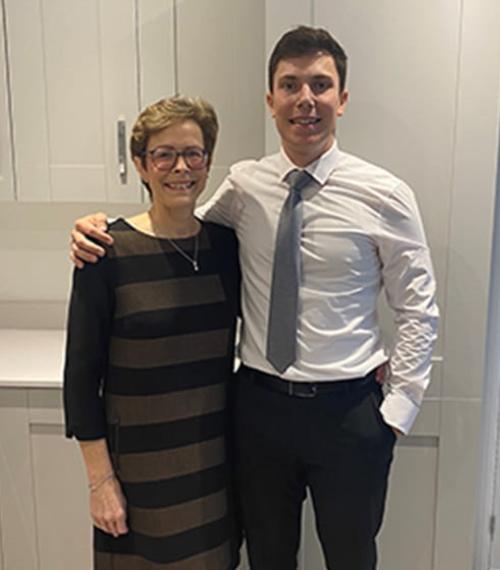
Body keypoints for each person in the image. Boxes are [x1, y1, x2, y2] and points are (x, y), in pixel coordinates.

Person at [68, 26, 438, 570]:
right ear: (271, 101)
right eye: (290, 85)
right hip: (259, 410)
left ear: (342, 98)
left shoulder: (385, 195)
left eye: (320, 84)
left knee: (352, 557)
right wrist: (98, 227)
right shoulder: (244, 186)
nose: (305, 99)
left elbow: (418, 309)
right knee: (267, 556)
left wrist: (395, 413)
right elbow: (177, 221)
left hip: (349, 413)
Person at [63, 95, 241, 570]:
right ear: (141, 165)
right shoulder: (106, 252)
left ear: (208, 162)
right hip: (138, 475)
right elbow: (80, 381)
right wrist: (101, 484)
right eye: (164, 154)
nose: (180, 167)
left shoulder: (225, 246)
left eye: (193, 153)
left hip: (214, 469)